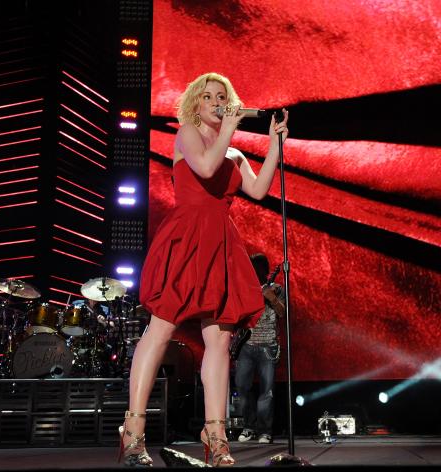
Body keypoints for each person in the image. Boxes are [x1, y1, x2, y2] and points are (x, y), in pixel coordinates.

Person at [117, 72, 289, 467]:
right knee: (160, 329)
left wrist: (275, 145)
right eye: (208, 96)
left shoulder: (236, 153)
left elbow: (259, 190)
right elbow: (207, 170)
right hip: (186, 238)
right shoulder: (187, 134)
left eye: (222, 96)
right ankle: (133, 431)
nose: (215, 101)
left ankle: (216, 435)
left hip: (221, 244)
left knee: (221, 340)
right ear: (195, 103)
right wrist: (228, 129)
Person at [234, 253, 285, 444]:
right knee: (242, 387)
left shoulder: (277, 288)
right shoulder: (244, 288)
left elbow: (283, 313)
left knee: (267, 391)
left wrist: (271, 297)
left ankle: (265, 431)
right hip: (245, 345)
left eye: (256, 268)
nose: (253, 271)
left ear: (264, 269)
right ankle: (249, 427)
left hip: (268, 346)